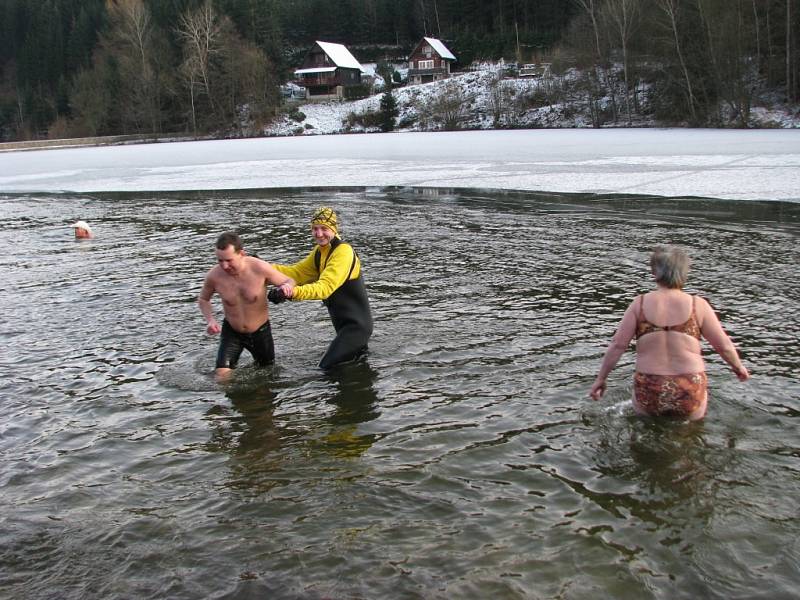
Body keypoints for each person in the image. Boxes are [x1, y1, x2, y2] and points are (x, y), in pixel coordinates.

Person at [589, 246, 749, 420]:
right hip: (689, 386)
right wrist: (738, 367)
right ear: (684, 273)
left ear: (654, 272)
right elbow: (723, 346)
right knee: (689, 436)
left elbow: (618, 345)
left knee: (644, 433)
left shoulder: (640, 304)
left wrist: (601, 379)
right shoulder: (698, 305)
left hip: (650, 386)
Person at [269, 207, 373, 370]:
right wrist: (261, 267)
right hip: (343, 328)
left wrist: (290, 293)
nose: (319, 234)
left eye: (324, 229)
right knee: (354, 369)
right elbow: (297, 273)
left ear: (333, 229)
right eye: (315, 229)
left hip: (355, 329)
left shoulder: (343, 252)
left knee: (325, 369)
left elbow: (325, 288)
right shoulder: (320, 252)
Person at [198, 232, 293, 382]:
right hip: (232, 332)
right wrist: (210, 320)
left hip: (260, 332)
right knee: (222, 377)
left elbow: (289, 280)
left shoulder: (259, 268)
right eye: (220, 260)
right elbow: (203, 299)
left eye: (229, 260)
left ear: (241, 254)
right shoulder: (214, 276)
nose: (224, 266)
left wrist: (287, 287)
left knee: (267, 375)